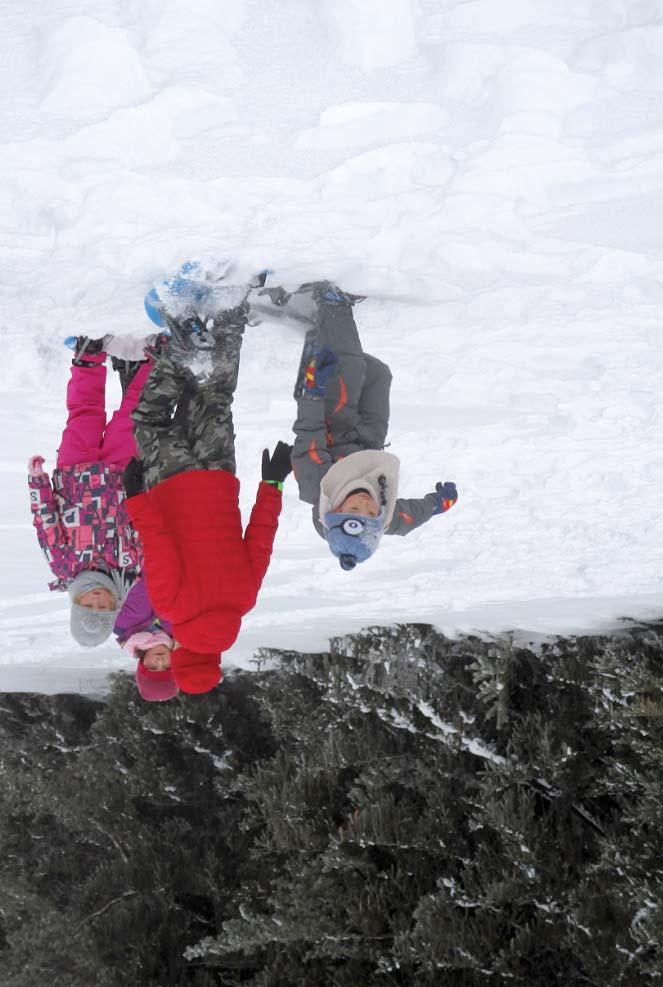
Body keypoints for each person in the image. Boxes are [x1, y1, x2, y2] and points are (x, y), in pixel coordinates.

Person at [123, 300, 292, 696]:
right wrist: (135, 499)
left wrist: (273, 484)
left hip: (218, 481)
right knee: (149, 420)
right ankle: (183, 346)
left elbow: (262, 538)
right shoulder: (172, 609)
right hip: (172, 484)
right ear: (182, 656)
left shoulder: (243, 601)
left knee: (214, 397)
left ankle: (231, 315)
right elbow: (158, 544)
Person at [260, 281, 458, 570]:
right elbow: (410, 517)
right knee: (378, 374)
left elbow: (309, 430)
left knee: (350, 365)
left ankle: (331, 302)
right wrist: (439, 504)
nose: (366, 503)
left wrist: (313, 390)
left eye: (355, 508)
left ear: (336, 510)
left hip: (330, 419)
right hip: (368, 437)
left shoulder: (318, 484)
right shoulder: (386, 518)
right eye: (370, 512)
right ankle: (325, 332)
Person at [28, 335, 155, 645]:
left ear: (76, 603)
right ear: (114, 607)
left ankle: (89, 357)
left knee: (83, 413)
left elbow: (46, 522)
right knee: (133, 417)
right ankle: (154, 363)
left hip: (74, 472)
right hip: (120, 472)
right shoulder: (130, 567)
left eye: (89, 605)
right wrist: (146, 486)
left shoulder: (63, 565)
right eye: (103, 606)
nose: (97, 598)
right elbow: (144, 524)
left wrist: (37, 482)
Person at [114, 575, 177, 701]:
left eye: (153, 668)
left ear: (142, 664)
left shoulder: (122, 624)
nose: (160, 661)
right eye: (167, 667)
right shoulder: (180, 628)